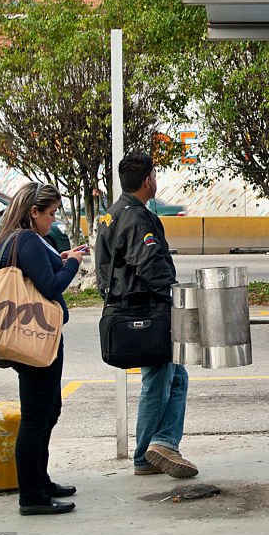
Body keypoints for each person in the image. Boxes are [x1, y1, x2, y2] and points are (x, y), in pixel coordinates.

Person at [96, 153, 195, 478]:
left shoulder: (113, 213)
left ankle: (161, 444)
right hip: (147, 311)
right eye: (155, 175)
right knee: (159, 379)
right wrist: (176, 294)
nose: (157, 180)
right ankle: (150, 451)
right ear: (147, 180)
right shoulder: (137, 218)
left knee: (175, 377)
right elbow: (149, 264)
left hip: (131, 307)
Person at [0, 182, 87, 515]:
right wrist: (73, 263)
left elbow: (37, 274)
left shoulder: (10, 239)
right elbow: (50, 285)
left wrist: (58, 259)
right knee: (36, 417)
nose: (53, 220)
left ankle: (40, 481)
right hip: (36, 341)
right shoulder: (28, 240)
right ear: (34, 212)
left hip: (28, 339)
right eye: (50, 214)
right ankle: (31, 496)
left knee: (48, 410)